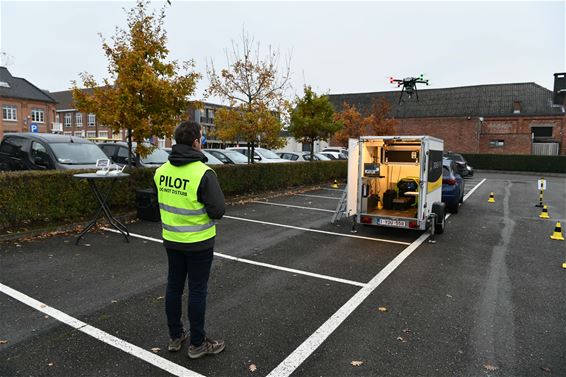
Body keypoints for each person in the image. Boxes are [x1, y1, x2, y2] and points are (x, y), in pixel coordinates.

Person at [154, 121, 226, 359]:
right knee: (197, 291)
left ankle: (176, 337)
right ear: (196, 142)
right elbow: (217, 210)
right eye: (201, 139)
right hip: (199, 243)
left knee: (174, 287)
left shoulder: (161, 171)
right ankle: (197, 343)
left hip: (172, 240)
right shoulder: (203, 173)